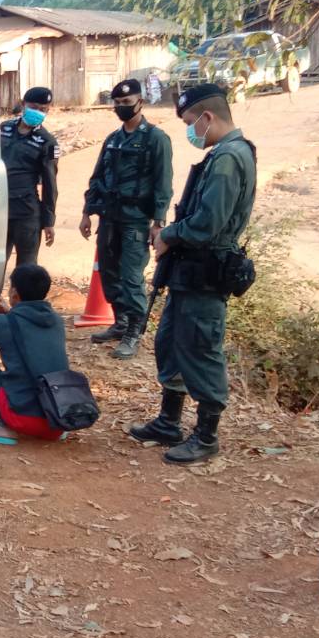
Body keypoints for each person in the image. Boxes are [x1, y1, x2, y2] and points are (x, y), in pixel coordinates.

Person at [130, 83, 257, 465]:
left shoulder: (229, 158)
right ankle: (169, 421)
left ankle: (206, 437)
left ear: (207, 117)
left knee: (201, 350)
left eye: (190, 122)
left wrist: (168, 235)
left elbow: (206, 224)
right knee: (171, 343)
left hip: (206, 272)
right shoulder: (223, 154)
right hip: (188, 273)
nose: (190, 130)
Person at [80, 78, 174, 360]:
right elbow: (97, 177)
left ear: (140, 102)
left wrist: (158, 223)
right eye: (118, 103)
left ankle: (134, 330)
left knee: (131, 277)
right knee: (109, 273)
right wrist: (87, 212)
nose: (121, 106)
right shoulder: (113, 140)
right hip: (109, 217)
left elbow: (163, 183)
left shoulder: (156, 138)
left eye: (127, 102)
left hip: (136, 219)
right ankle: (120, 322)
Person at [0, 264, 68, 445]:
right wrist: (12, 311)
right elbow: (28, 331)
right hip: (58, 420)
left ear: (15, 294)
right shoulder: (56, 320)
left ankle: (4, 427)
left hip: (24, 419)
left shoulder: (0, 323)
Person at [0, 86, 60, 274]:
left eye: (43, 109)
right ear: (23, 104)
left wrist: (48, 221)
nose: (38, 112)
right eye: (34, 107)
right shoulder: (3, 129)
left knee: (26, 270)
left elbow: (50, 184)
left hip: (27, 212)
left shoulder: (48, 142)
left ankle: (21, 296)